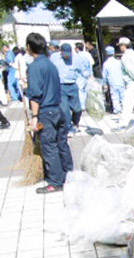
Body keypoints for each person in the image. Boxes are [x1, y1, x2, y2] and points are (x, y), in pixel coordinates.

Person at [25, 32, 73, 194]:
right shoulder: (51, 64)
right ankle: (68, 175)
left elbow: (35, 95)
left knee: (49, 146)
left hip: (47, 111)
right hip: (60, 108)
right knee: (62, 143)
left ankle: (55, 181)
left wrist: (34, 117)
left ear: (30, 47)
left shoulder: (35, 66)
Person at [50, 43, 87, 135]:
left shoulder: (77, 59)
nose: (67, 56)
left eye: (68, 54)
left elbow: (83, 72)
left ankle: (75, 123)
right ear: (61, 52)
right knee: (64, 109)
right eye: (65, 54)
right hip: (60, 86)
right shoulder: (54, 58)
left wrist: (89, 80)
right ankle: (68, 128)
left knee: (78, 109)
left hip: (73, 85)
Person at [102, 46, 124, 115]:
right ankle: (125, 109)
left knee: (115, 97)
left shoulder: (106, 64)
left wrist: (105, 84)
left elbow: (104, 75)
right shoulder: (119, 62)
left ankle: (117, 111)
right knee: (123, 97)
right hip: (121, 82)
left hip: (112, 83)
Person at [75, 42, 93, 109]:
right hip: (88, 74)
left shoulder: (76, 56)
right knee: (88, 90)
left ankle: (82, 106)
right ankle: (89, 105)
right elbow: (91, 63)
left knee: (80, 90)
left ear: (77, 48)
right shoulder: (87, 54)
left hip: (80, 75)